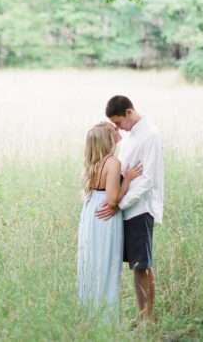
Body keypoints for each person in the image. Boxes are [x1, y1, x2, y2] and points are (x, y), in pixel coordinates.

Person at [96, 95, 164, 322]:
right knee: (136, 266)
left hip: (140, 208)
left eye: (118, 123)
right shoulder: (131, 137)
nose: (118, 128)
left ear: (129, 112)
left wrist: (119, 204)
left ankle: (148, 317)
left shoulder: (150, 135)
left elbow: (148, 179)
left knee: (142, 265)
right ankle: (141, 314)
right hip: (126, 208)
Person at [77, 122, 143, 320]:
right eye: (114, 133)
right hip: (105, 217)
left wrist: (106, 129)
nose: (118, 134)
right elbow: (113, 200)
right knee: (105, 264)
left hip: (90, 214)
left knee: (91, 263)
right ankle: (106, 320)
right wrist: (128, 179)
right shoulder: (113, 163)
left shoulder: (93, 163)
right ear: (107, 140)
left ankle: (89, 315)